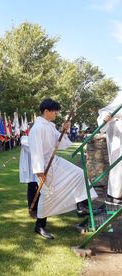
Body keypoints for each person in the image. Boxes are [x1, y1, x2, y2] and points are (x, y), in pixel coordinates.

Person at [28, 98, 97, 239]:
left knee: (79, 173)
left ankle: (81, 205)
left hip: (54, 161)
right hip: (44, 164)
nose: (56, 114)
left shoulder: (50, 126)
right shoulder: (37, 128)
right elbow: (35, 151)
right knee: (47, 193)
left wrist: (64, 131)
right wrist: (39, 171)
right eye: (54, 111)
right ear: (46, 111)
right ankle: (40, 225)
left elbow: (61, 143)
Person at [97, 91, 122, 205]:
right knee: (118, 165)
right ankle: (114, 196)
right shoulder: (120, 98)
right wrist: (104, 118)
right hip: (118, 135)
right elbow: (105, 111)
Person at [19, 129, 39, 211]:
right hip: (30, 167)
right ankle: (32, 205)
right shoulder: (24, 138)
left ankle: (38, 204)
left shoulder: (38, 139)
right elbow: (28, 146)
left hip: (38, 165)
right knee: (31, 185)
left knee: (39, 185)